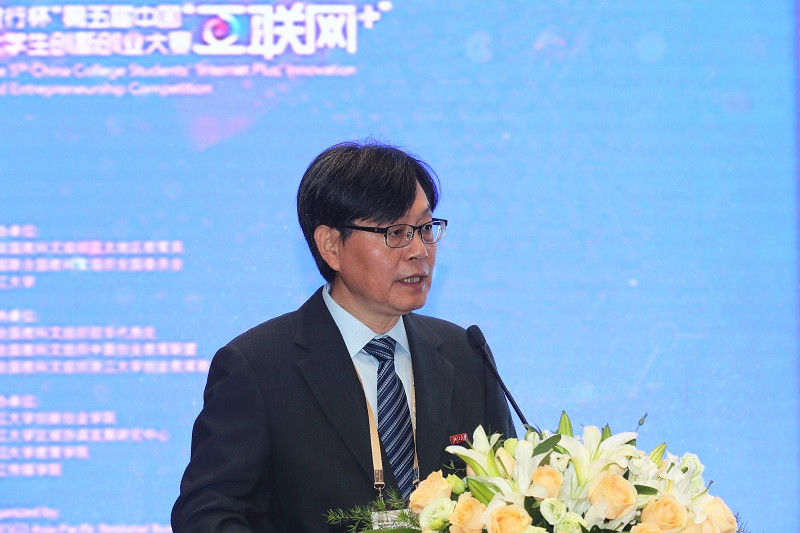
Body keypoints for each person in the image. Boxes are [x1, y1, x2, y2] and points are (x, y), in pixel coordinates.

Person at [171, 141, 515, 532]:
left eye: (425, 228)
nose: (419, 250)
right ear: (331, 246)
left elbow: (508, 492)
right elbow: (207, 515)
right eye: (396, 232)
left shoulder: (465, 353)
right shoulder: (258, 367)